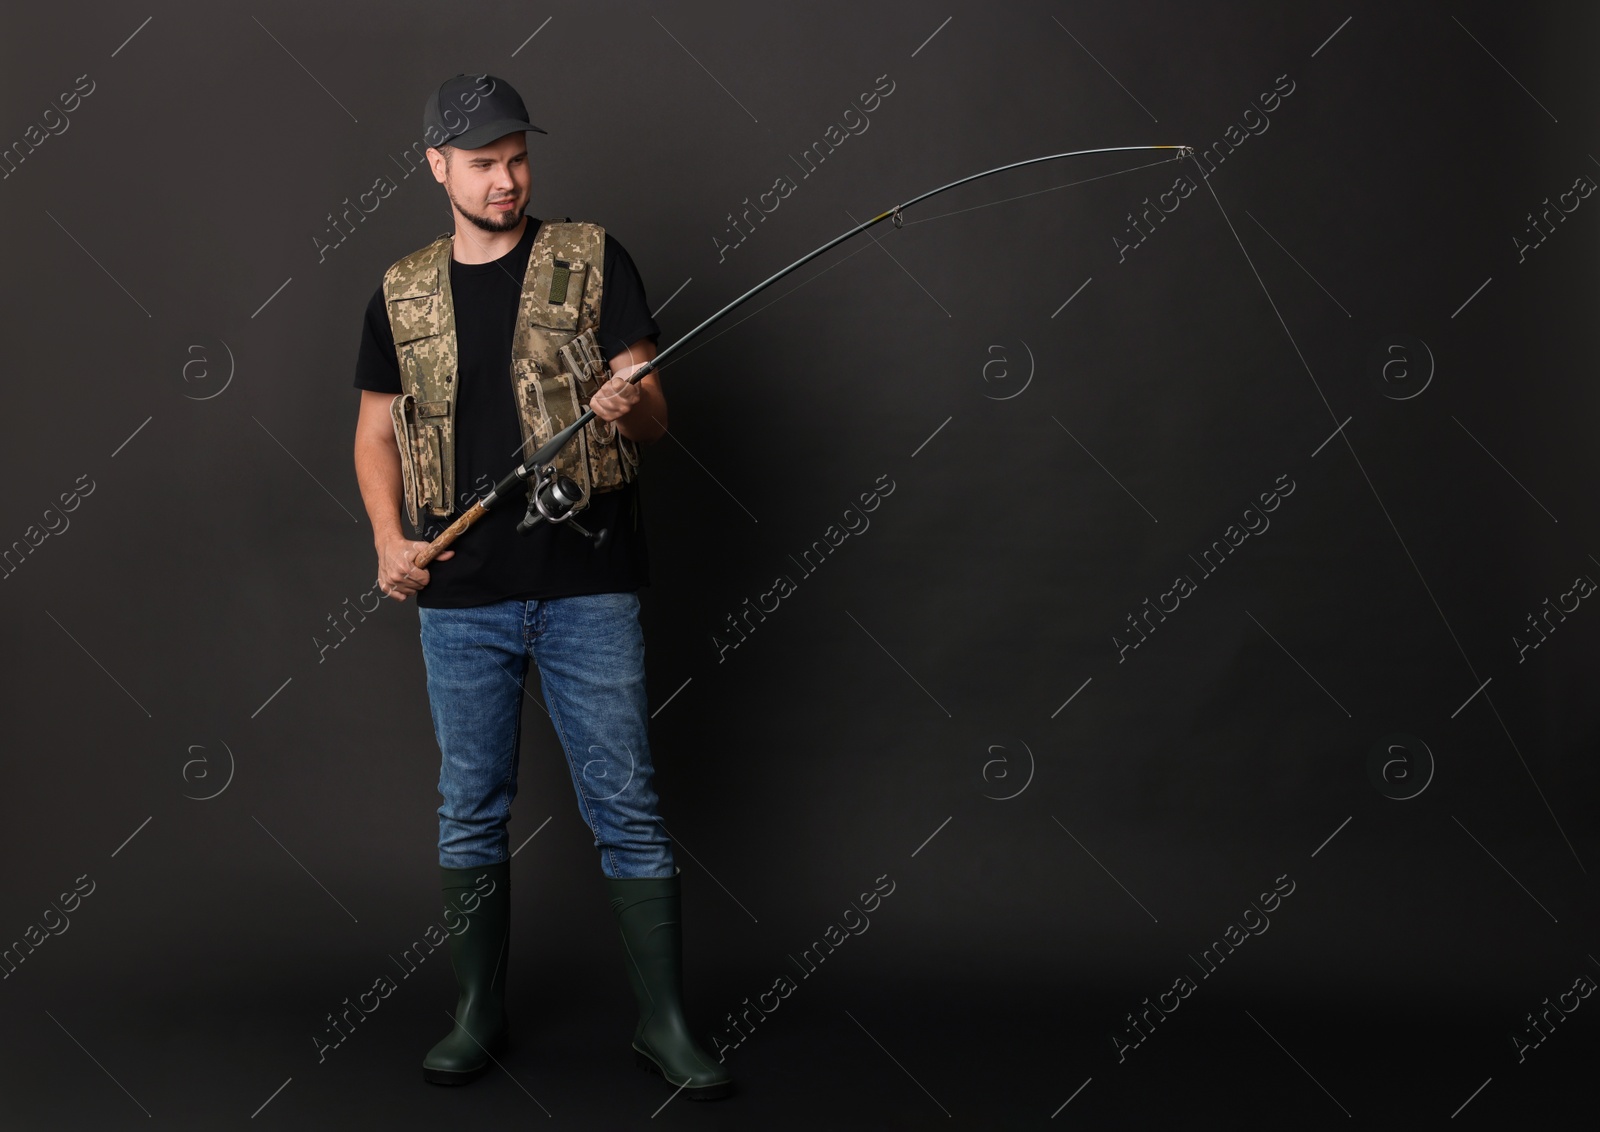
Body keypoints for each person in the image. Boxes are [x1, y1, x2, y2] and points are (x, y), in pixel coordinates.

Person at [350, 72, 731, 1101]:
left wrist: (625, 401)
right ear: (437, 167)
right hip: (459, 590)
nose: (506, 179)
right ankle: (477, 1011)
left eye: (517, 158)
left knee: (628, 805)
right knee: (468, 808)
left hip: (587, 583)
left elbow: (654, 418)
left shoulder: (593, 259)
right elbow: (377, 428)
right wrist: (390, 539)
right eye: (482, 163)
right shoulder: (401, 289)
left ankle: (664, 1024)